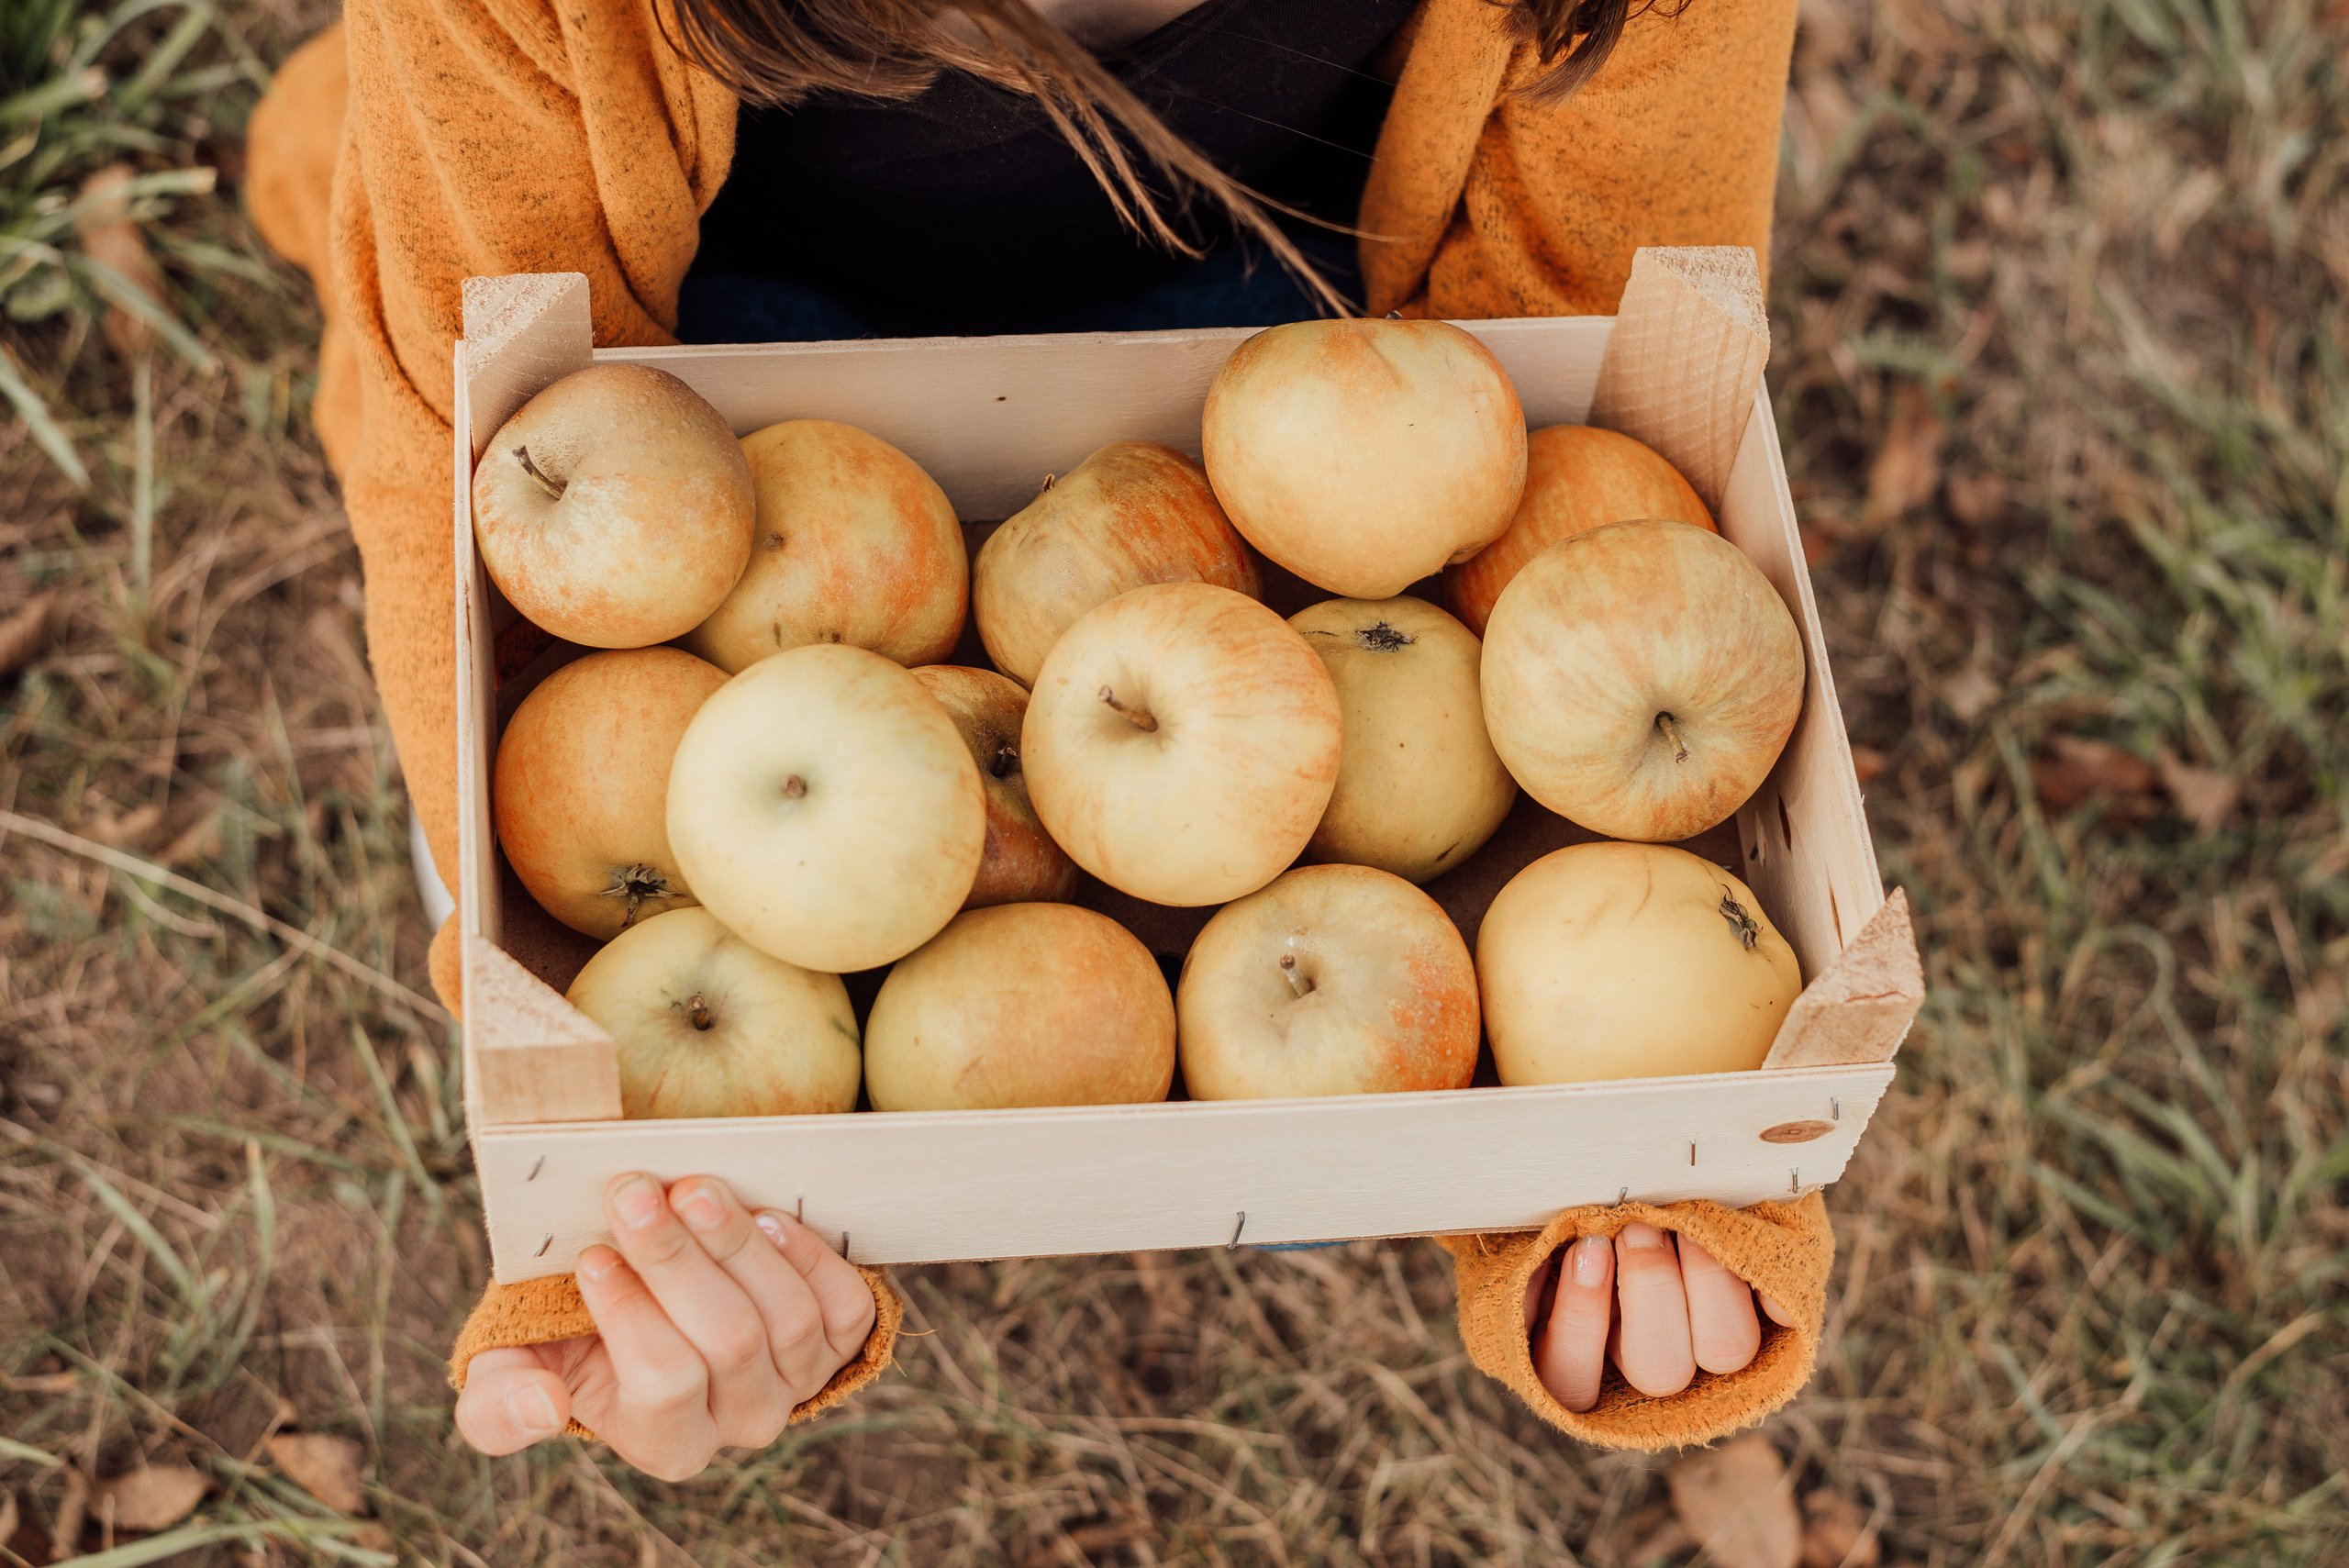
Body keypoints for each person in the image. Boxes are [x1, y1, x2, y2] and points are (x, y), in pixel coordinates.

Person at [244, 0, 1834, 1481]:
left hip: (1316, 338)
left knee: (1273, 1147)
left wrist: (1616, 1129)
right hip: (702, 397)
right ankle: (347, 151)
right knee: (543, 827)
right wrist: (625, 1205)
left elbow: (1572, 435)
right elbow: (480, 523)